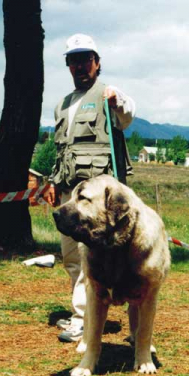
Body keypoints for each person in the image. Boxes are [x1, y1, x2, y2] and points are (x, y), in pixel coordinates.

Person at [44, 34, 135, 343]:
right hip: (69, 193)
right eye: (74, 60)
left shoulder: (108, 95)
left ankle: (83, 317)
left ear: (97, 63)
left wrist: (117, 100)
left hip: (95, 199)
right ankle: (86, 311)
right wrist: (53, 182)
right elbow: (62, 150)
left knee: (88, 257)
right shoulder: (63, 105)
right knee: (70, 256)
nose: (80, 65)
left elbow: (127, 115)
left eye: (86, 59)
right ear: (68, 66)